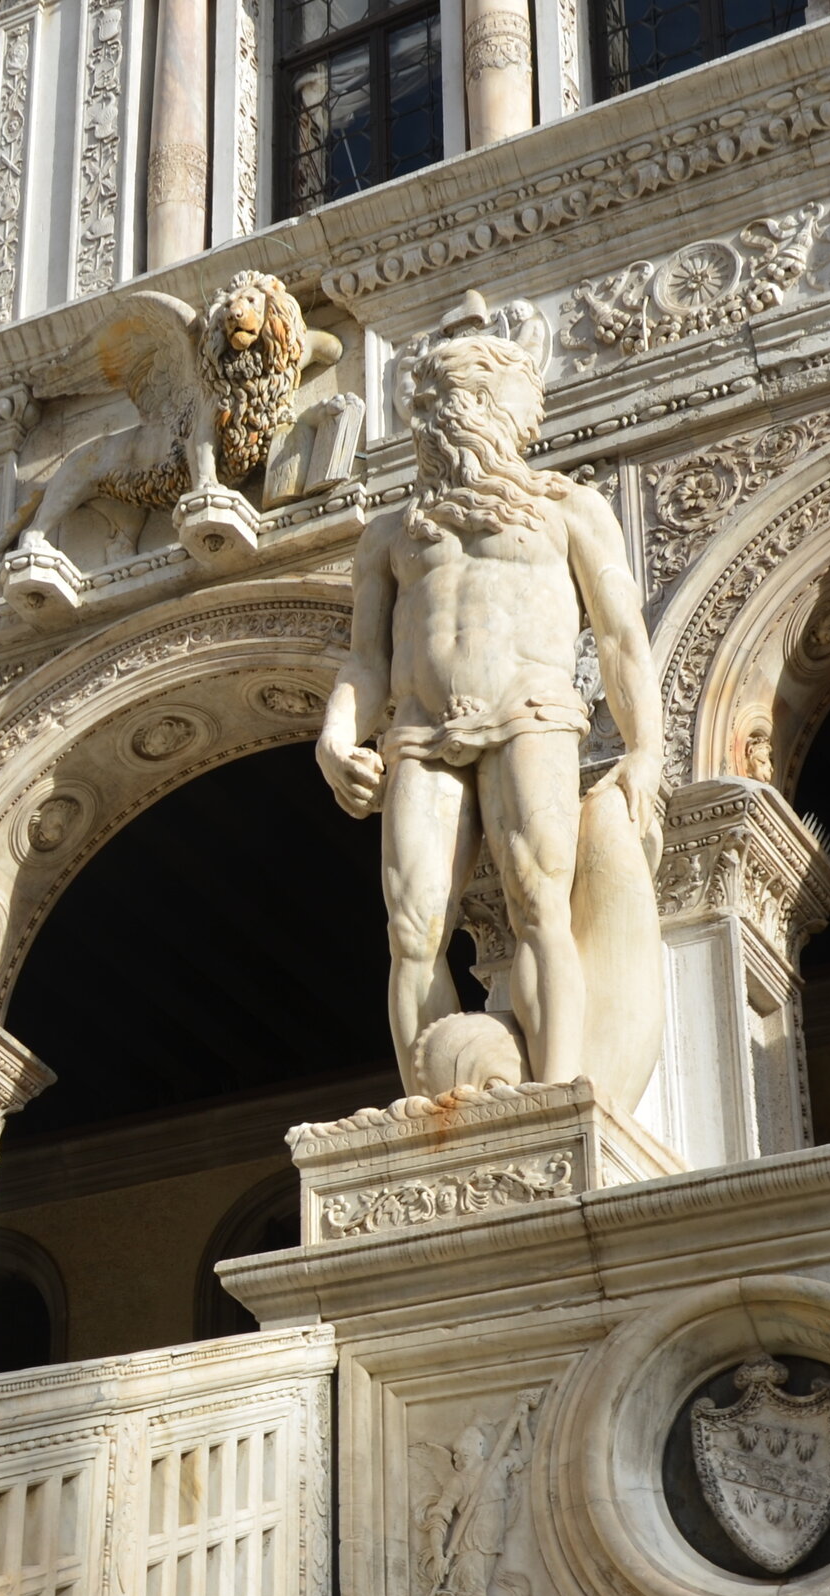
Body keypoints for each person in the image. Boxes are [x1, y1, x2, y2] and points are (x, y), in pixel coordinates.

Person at [316, 292, 663, 1106]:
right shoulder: (393, 533)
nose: (437, 416)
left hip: (531, 714)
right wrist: (336, 737)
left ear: (503, 407)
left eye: (456, 398)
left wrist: (645, 749)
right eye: (427, 402)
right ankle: (427, 1105)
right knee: (411, 930)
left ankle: (556, 1095)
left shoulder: (565, 507)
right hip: (418, 732)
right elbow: (366, 660)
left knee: (539, 898)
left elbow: (619, 635)